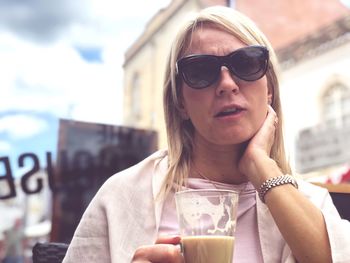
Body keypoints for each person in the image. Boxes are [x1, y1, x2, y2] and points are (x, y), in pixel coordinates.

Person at [63, 6, 350, 263]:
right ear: (181, 103)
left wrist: (260, 166)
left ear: (270, 89)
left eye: (247, 63)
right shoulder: (121, 197)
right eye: (200, 71)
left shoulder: (311, 204)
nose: (226, 84)